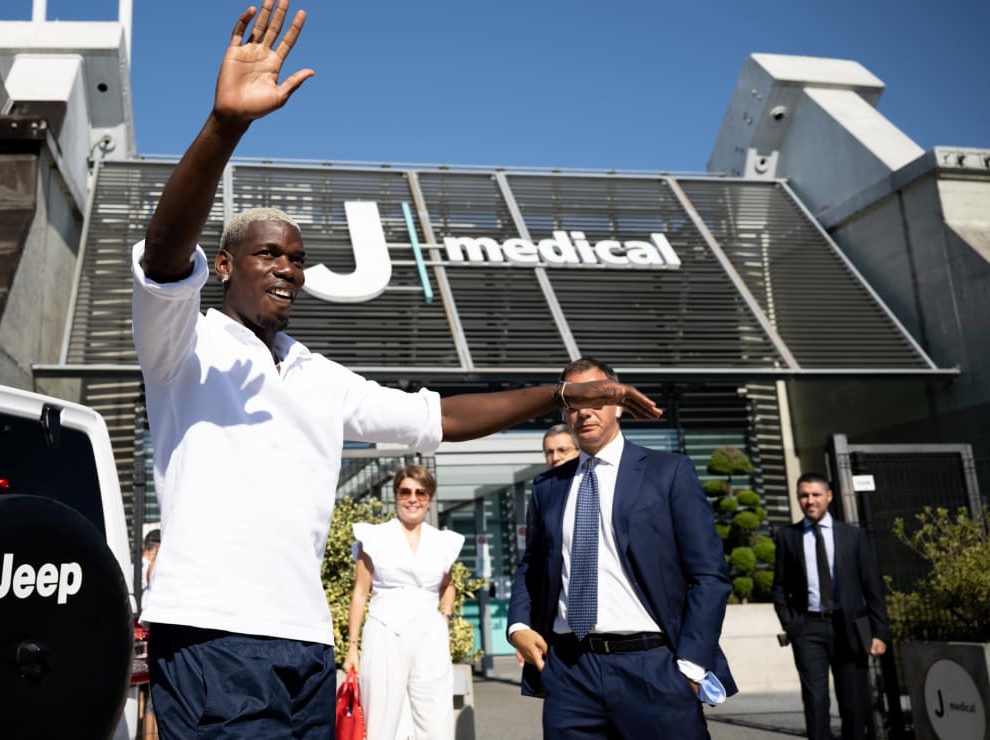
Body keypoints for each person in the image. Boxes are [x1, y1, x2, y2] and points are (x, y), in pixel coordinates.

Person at [129, 4, 662, 735]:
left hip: (305, 643)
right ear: (223, 266)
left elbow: (438, 419)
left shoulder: (317, 374)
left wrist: (564, 394)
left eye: (297, 258)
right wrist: (226, 126)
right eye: (268, 255)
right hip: (211, 634)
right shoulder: (183, 346)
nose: (289, 268)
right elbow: (163, 256)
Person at [508, 357, 736, 738]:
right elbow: (531, 567)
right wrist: (517, 625)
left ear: (618, 403)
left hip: (653, 668)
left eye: (596, 399)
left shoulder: (668, 471)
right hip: (570, 673)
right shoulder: (548, 486)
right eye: (573, 403)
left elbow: (709, 575)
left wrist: (691, 669)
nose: (584, 412)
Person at [343, 465, 463, 740]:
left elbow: (448, 586)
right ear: (396, 495)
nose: (413, 498)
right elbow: (360, 592)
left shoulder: (442, 541)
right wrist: (352, 647)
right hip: (385, 630)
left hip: (430, 635)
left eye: (421, 493)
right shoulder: (374, 537)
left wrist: (444, 618)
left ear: (429, 498)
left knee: (435, 716)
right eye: (405, 491)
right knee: (382, 718)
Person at [772, 472, 889, 740]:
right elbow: (779, 587)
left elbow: (872, 587)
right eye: (804, 495)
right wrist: (791, 624)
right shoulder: (787, 537)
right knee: (815, 700)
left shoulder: (853, 537)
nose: (810, 501)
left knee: (853, 702)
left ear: (829, 496)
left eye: (815, 495)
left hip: (849, 627)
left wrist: (880, 632)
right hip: (808, 628)